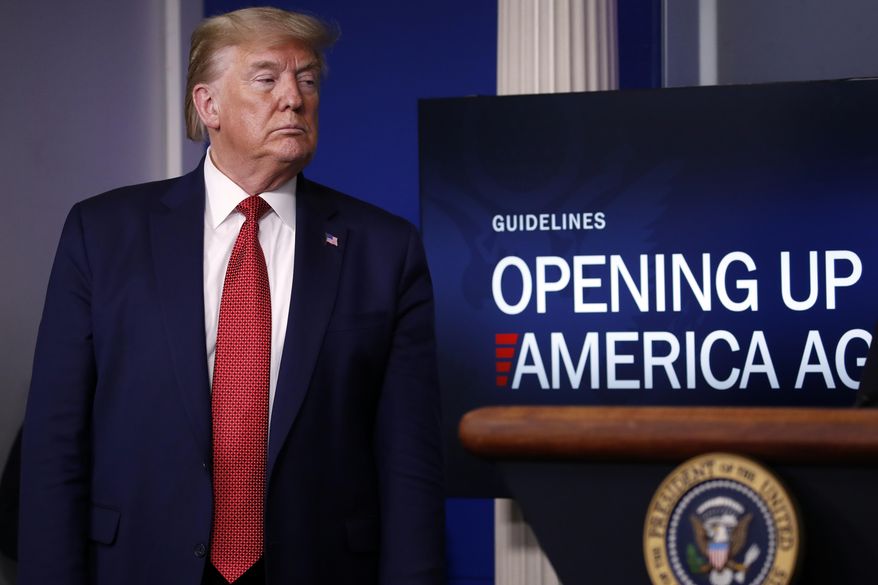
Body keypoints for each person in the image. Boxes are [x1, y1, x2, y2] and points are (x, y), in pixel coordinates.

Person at [19, 7, 444, 585]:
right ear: (208, 105)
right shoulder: (102, 234)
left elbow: (410, 464)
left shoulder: (385, 249)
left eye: (308, 79)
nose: (294, 99)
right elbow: (54, 443)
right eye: (267, 79)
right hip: (139, 564)